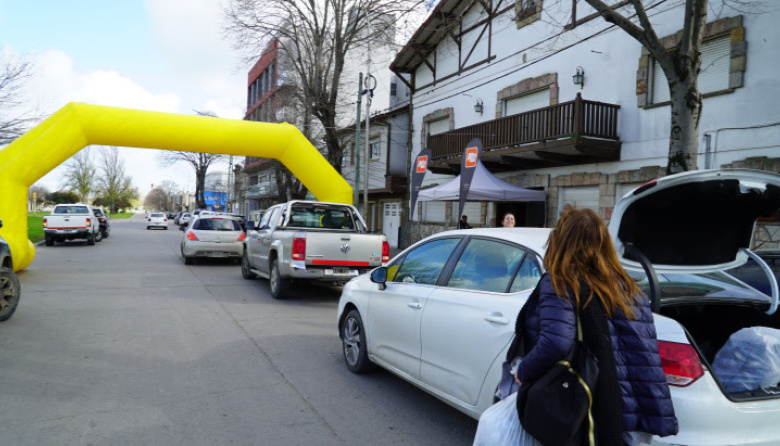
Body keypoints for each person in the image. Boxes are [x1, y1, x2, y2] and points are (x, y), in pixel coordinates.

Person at [509, 205, 678, 445]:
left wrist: (523, 371)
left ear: (562, 242)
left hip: (590, 410)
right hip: (632, 412)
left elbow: (556, 342)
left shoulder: (561, 283)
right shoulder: (629, 288)